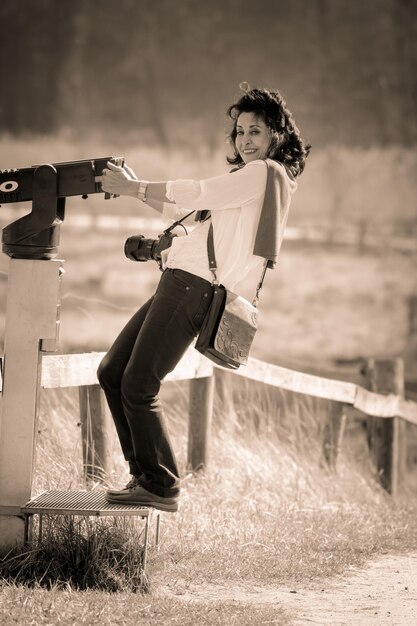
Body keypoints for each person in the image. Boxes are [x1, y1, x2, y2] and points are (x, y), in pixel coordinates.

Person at [97, 86, 310, 512]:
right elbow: (191, 212)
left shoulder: (261, 174)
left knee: (138, 384)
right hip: (180, 280)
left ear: (276, 135)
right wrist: (142, 196)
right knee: (112, 372)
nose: (245, 139)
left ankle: (160, 485)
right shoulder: (260, 183)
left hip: (191, 287)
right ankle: (143, 476)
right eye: (240, 132)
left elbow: (193, 192)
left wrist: (132, 186)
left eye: (256, 131)